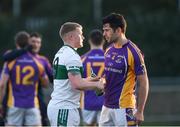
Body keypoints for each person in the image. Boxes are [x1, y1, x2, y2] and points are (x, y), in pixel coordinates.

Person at [47, 22, 105, 126]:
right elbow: (77, 84)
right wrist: (96, 85)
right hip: (65, 108)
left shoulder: (62, 51)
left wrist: (89, 79)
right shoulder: (71, 55)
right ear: (71, 36)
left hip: (62, 106)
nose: (83, 37)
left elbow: (69, 80)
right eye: (80, 33)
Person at [99, 13, 149, 126]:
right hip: (106, 107)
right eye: (104, 30)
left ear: (118, 30)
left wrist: (140, 111)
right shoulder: (108, 49)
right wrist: (101, 82)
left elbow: (144, 82)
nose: (104, 34)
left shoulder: (134, 52)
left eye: (107, 30)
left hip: (124, 109)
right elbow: (106, 75)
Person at [1, 32, 53, 126]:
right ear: (29, 43)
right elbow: (47, 82)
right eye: (33, 42)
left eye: (38, 42)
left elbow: (2, 84)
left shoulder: (12, 60)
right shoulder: (39, 62)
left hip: (19, 102)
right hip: (29, 103)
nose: (35, 44)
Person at [80, 29, 105, 126]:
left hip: (87, 102)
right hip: (106, 102)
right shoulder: (110, 57)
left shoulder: (82, 59)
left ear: (89, 41)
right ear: (103, 40)